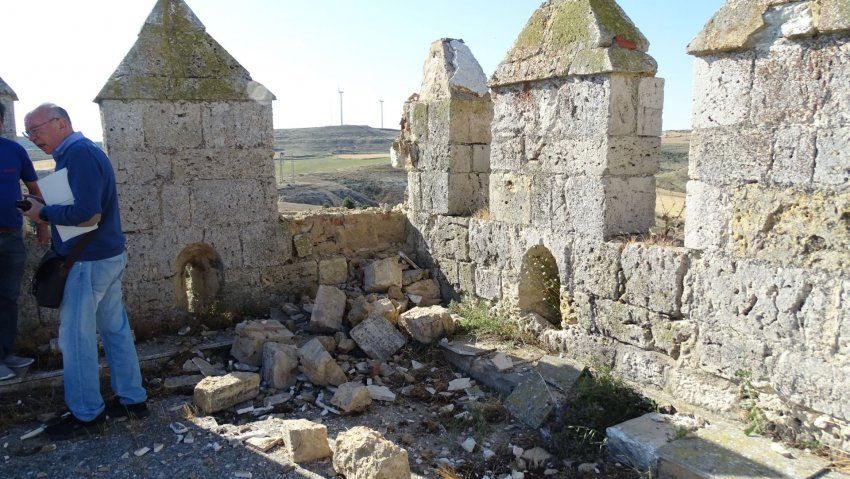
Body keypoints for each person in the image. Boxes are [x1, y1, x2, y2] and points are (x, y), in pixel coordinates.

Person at [21, 103, 147, 440]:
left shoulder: (78, 154)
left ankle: (87, 414)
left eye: (36, 129)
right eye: (27, 132)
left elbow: (88, 215)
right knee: (115, 329)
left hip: (88, 262)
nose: (32, 138)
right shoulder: (78, 153)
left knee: (75, 339)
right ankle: (133, 400)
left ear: (60, 123)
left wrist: (41, 212)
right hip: (103, 257)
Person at [0, 102, 48, 381]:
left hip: (11, 236)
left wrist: (40, 224)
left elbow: (33, 190)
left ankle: (6, 354)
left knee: (8, 298)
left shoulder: (14, 151)